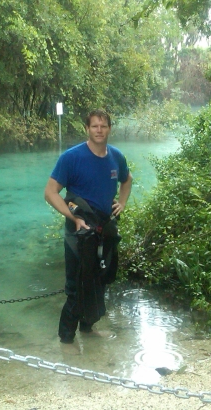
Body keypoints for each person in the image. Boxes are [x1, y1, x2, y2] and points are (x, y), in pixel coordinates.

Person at [44, 109, 133, 344]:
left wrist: (122, 202)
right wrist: (73, 218)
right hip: (79, 230)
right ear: (87, 129)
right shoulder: (72, 158)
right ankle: (66, 339)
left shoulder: (116, 157)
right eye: (94, 126)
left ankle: (87, 328)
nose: (99, 130)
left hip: (104, 229)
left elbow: (127, 179)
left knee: (99, 280)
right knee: (76, 285)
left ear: (110, 129)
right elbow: (50, 193)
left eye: (103, 126)